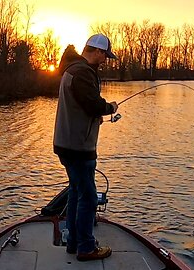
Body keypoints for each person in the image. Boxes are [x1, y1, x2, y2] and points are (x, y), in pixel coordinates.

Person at [53, 33, 118, 261]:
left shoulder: (73, 69)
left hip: (67, 143)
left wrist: (93, 116)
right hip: (78, 147)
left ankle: (73, 243)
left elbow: (80, 105)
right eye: (105, 55)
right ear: (98, 51)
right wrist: (109, 107)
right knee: (88, 197)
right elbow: (92, 104)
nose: (106, 60)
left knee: (76, 192)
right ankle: (86, 248)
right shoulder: (82, 73)